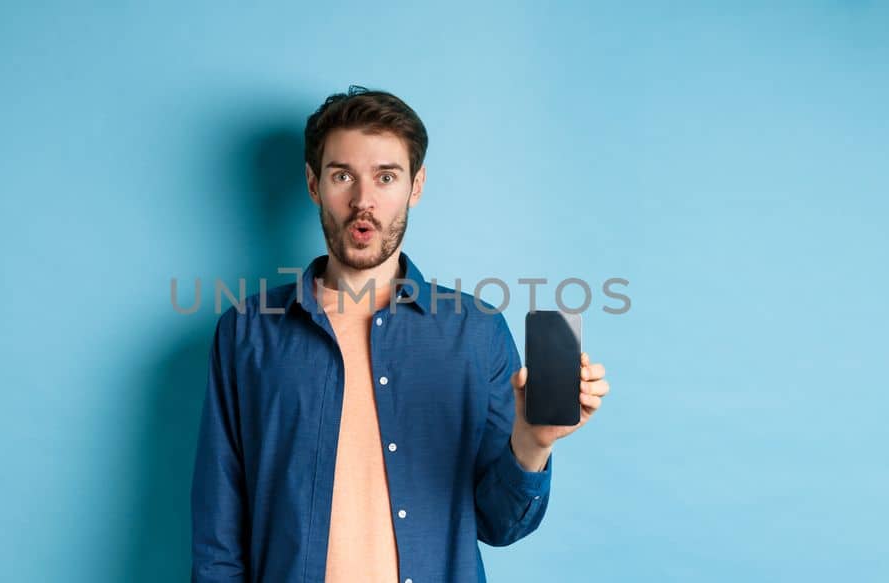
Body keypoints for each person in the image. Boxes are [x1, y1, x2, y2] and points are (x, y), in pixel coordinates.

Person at [191, 86, 612, 583]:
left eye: (386, 177)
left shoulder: (476, 333)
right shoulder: (248, 332)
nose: (363, 200)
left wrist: (534, 441)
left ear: (416, 186)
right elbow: (218, 535)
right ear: (312, 184)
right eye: (342, 175)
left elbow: (501, 525)